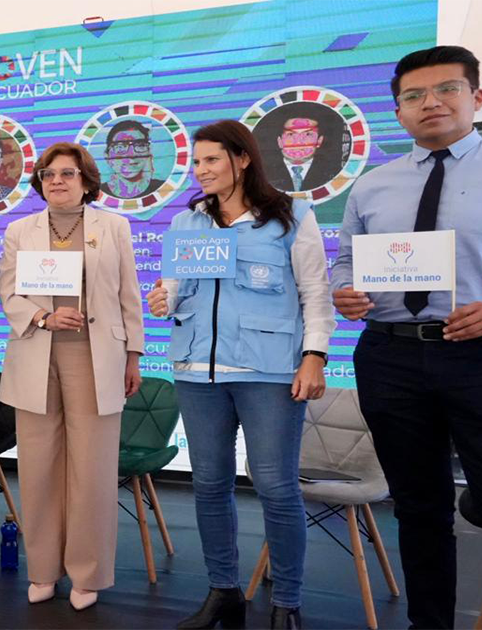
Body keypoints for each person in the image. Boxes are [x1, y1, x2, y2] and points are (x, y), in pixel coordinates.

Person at [331, 45, 482, 630]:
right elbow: (346, 262)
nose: (431, 103)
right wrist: (345, 291)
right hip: (389, 355)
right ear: (398, 111)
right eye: (414, 95)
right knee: (418, 511)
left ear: (476, 97)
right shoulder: (372, 185)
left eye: (447, 89)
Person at [146, 120, 334, 629]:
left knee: (275, 486)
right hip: (196, 370)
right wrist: (163, 299)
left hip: (267, 370)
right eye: (196, 161)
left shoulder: (291, 216)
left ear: (243, 158)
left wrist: (314, 355)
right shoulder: (187, 223)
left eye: (211, 159)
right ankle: (223, 592)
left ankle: (287, 602)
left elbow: (315, 292)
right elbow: (174, 289)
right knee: (209, 484)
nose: (201, 170)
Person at [0, 142, 145, 610]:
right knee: (38, 468)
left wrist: (134, 355)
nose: (57, 181)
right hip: (35, 352)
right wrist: (43, 317)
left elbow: (129, 295)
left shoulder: (114, 226)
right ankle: (43, 568)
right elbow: (9, 293)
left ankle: (87, 573)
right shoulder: (19, 230)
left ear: (87, 181)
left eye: (67, 173)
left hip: (97, 355)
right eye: (48, 174)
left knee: (93, 469)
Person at [101, 120, 164, 198]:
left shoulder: (163, 189)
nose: (131, 154)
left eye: (140, 145)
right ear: (107, 156)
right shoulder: (97, 192)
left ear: (148, 153)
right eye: (120, 147)